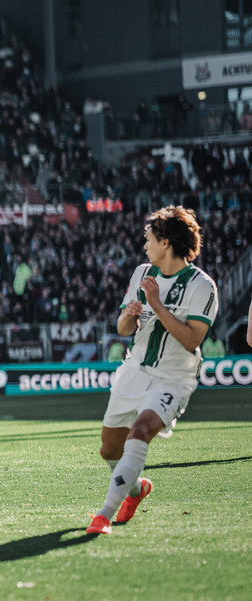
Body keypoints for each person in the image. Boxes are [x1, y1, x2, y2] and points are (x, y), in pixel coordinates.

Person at [87, 206, 218, 535]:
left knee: (141, 431)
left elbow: (191, 339)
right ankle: (135, 489)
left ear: (167, 242)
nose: (144, 244)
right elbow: (123, 328)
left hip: (174, 377)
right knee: (108, 450)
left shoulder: (203, 286)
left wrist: (157, 304)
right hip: (134, 371)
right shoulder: (142, 273)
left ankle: (103, 514)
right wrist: (130, 316)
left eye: (149, 238)